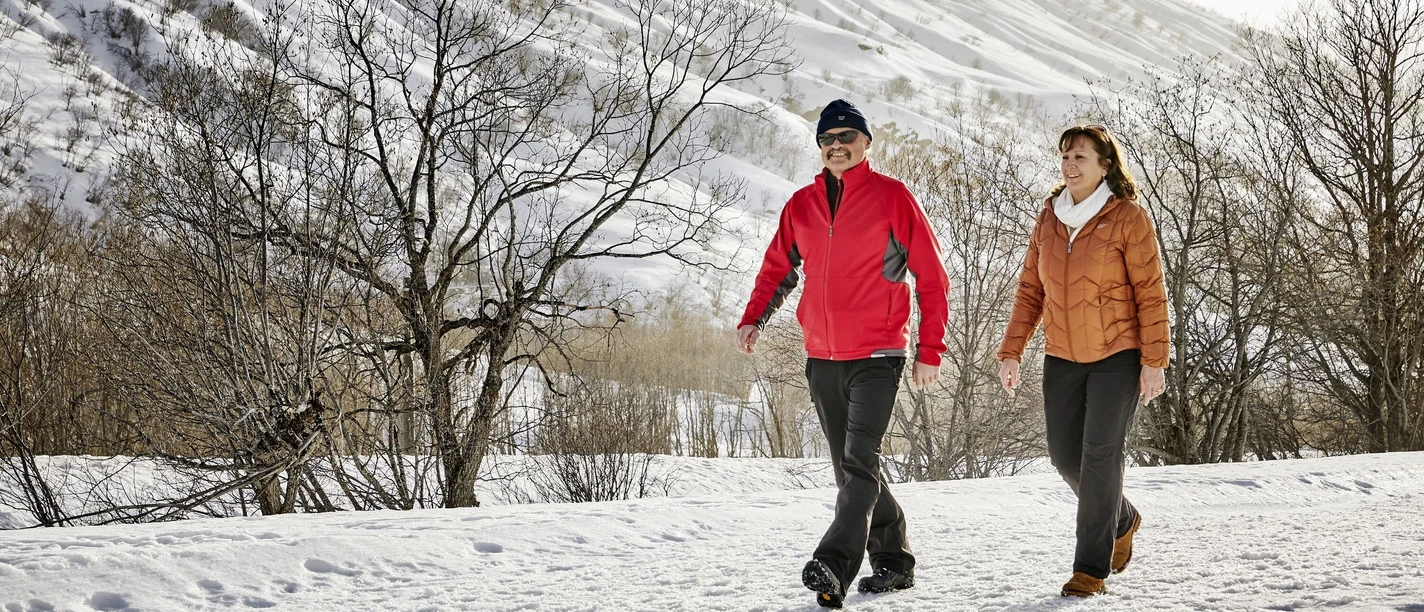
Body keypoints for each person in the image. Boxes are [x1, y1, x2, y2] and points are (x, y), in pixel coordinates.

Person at [736, 99, 950, 609]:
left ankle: (833, 564)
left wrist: (930, 348)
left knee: (857, 464)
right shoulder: (801, 205)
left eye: (846, 137)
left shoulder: (893, 197)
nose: (837, 146)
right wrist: (754, 317)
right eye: (827, 140)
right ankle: (895, 562)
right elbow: (777, 268)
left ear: (866, 143)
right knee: (854, 468)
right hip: (822, 356)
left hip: (878, 353)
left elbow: (932, 276)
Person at [996, 124, 1169, 598]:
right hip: (1062, 356)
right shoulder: (1049, 218)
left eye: (1081, 157)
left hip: (1118, 355)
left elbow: (1151, 293)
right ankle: (1122, 518)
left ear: (1104, 165)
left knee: (1099, 456)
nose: (1070, 165)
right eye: (1065, 157)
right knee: (1063, 456)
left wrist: (1154, 360)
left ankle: (1090, 569)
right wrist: (1011, 351)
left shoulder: (1127, 217)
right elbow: (1030, 290)